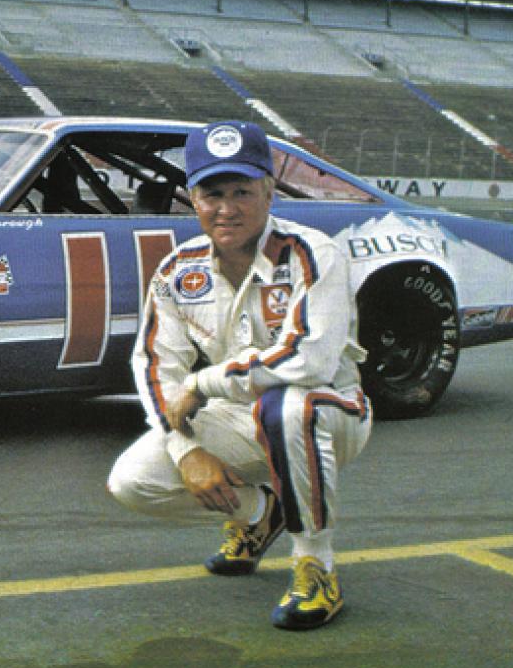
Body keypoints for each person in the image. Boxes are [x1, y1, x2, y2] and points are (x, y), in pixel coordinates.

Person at [107, 120, 372, 630]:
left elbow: (309, 361)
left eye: (241, 192)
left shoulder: (313, 253)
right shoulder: (178, 270)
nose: (226, 208)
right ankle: (259, 513)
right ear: (193, 199)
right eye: (212, 194)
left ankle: (316, 565)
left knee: (289, 405)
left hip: (331, 411)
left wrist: (203, 383)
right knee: (133, 482)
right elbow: (155, 364)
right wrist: (185, 451)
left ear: (269, 194)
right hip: (240, 416)